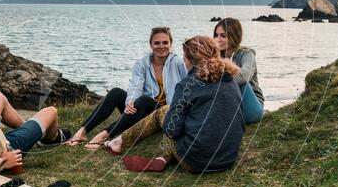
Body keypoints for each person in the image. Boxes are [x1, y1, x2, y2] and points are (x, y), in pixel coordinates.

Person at [104, 35, 245, 174]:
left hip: (195, 162)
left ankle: (118, 142)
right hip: (227, 160)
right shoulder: (230, 81)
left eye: (184, 56)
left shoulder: (187, 86)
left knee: (165, 111)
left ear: (189, 60)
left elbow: (171, 131)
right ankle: (164, 158)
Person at [65, 26, 187, 149]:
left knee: (144, 100)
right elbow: (135, 86)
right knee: (116, 93)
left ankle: (104, 135)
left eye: (165, 42)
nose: (161, 46)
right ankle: (83, 131)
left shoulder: (177, 63)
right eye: (157, 43)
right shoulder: (142, 64)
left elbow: (187, 87)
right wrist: (130, 103)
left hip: (164, 113)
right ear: (151, 45)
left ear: (171, 44)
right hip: (141, 111)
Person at [213, 18, 264, 124]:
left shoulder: (247, 54)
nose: (218, 39)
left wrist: (217, 80)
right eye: (216, 35)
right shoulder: (215, 57)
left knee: (239, 79)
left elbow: (244, 76)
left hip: (251, 107)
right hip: (230, 108)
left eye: (223, 36)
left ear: (234, 36)